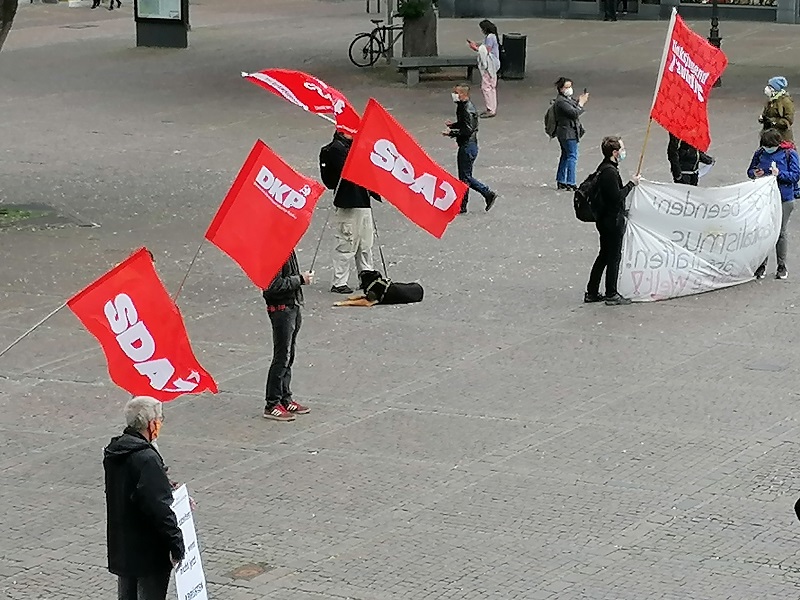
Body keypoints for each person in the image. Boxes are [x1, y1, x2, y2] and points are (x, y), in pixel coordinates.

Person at [104, 396, 185, 600]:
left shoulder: (116, 452)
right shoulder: (146, 458)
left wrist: (164, 483)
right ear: (151, 424)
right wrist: (176, 542)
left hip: (124, 546)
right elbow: (157, 506)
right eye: (159, 418)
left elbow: (132, 489)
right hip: (149, 552)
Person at [321, 131, 380, 294]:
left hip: (363, 201)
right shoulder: (336, 149)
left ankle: (367, 277)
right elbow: (345, 172)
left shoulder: (354, 147)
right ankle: (339, 282)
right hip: (348, 202)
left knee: (365, 244)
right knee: (346, 244)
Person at [585, 136, 640, 306]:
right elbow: (616, 197)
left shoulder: (604, 168)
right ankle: (611, 293)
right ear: (614, 153)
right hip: (611, 221)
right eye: (622, 149)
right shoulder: (609, 172)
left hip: (605, 219)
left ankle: (592, 291)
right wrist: (631, 184)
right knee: (613, 257)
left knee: (604, 255)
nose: (624, 152)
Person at [262, 249, 314, 421]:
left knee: (289, 355)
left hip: (292, 305)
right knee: (282, 356)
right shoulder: (273, 252)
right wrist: (300, 279)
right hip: (281, 309)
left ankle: (285, 397)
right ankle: (272, 403)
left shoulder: (286, 249)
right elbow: (272, 286)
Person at [747, 128, 800, 280]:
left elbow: (795, 175)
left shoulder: (789, 154)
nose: (768, 149)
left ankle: (781, 265)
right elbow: (750, 170)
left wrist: (779, 174)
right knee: (764, 231)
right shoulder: (760, 153)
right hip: (765, 198)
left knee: (780, 232)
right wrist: (755, 173)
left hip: (784, 198)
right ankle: (762, 265)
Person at [443, 84, 498, 214]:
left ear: (463, 94)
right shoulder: (464, 107)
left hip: (467, 146)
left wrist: (451, 132)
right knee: (465, 177)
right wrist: (453, 126)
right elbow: (466, 124)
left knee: (465, 177)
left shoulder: (466, 109)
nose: (454, 95)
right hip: (469, 145)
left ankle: (486, 193)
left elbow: (467, 129)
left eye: (456, 92)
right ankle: (465, 204)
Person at [553, 77, 589, 191]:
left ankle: (561, 180)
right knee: (572, 156)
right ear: (560, 89)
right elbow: (574, 113)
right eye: (567, 87)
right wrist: (581, 104)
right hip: (568, 133)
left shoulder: (566, 99)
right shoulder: (561, 102)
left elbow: (574, 105)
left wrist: (580, 100)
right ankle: (571, 181)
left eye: (570, 86)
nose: (569, 89)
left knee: (565, 155)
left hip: (565, 132)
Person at [467, 20, 501, 118]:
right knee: (492, 87)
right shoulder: (493, 36)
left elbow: (486, 51)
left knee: (486, 87)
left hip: (489, 65)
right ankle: (492, 108)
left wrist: (475, 47)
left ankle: (490, 109)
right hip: (494, 64)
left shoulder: (490, 37)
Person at [760, 77, 794, 143]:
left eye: (769, 88)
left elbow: (788, 121)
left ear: (774, 90)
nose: (766, 89)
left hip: (781, 137)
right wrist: (763, 118)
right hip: (768, 136)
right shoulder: (771, 100)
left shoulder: (786, 101)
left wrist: (773, 121)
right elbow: (767, 113)